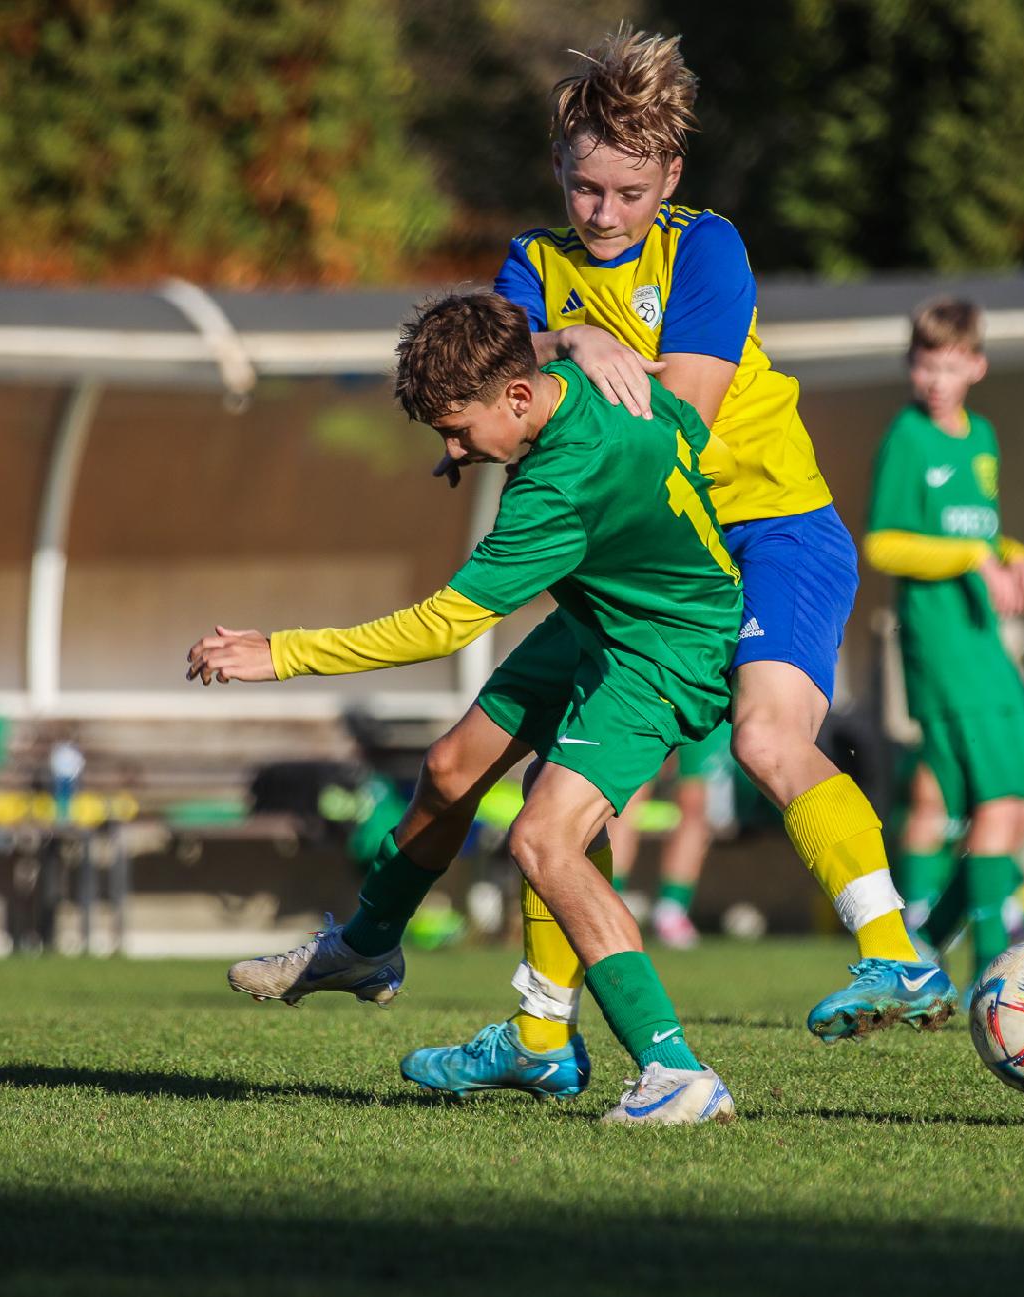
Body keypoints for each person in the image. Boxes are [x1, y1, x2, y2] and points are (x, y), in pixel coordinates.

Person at [408, 27, 951, 1093]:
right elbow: (491, 377)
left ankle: (895, 954)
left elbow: (682, 420)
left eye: (622, 191)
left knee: (765, 734)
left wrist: (563, 357)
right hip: (646, 571)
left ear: (669, 174)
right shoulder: (534, 260)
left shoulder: (707, 249)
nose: (598, 213)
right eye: (581, 188)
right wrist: (571, 342)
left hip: (770, 534)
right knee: (562, 795)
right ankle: (533, 1038)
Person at [189, 291, 739, 1125]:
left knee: (543, 835)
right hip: (603, 614)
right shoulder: (588, 379)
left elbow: (443, 626)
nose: (453, 451)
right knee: (449, 770)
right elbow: (688, 440)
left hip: (664, 648)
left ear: (517, 397)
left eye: (458, 431)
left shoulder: (558, 485)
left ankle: (675, 1072)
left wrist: (284, 653)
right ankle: (370, 947)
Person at [865, 297, 1024, 988]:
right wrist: (974, 558)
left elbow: (982, 530)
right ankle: (992, 972)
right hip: (941, 645)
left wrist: (1015, 553)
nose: (935, 380)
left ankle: (925, 945)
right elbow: (883, 542)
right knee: (995, 804)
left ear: (976, 365)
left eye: (948, 365)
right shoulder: (907, 438)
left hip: (984, 641)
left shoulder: (983, 439)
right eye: (923, 364)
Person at [605, 721, 732, 949]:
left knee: (694, 802)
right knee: (628, 798)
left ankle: (671, 910)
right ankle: (607, 903)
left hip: (700, 700)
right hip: (652, 696)